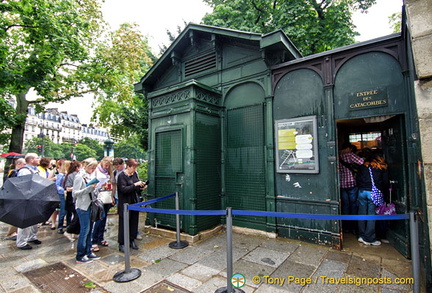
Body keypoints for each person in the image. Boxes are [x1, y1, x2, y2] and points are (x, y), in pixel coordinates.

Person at [356, 152, 389, 246]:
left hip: (362, 192)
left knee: (361, 213)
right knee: (372, 215)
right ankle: (369, 238)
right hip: (373, 193)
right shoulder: (381, 167)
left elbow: (358, 179)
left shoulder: (363, 166)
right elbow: (385, 182)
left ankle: (361, 235)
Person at [72, 158, 100, 264]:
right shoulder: (79, 176)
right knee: (85, 230)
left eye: (94, 168)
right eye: (91, 167)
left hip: (90, 205)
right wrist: (89, 189)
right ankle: (80, 255)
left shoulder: (90, 175)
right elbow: (75, 193)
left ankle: (88, 251)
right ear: (86, 166)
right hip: (83, 206)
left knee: (89, 230)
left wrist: (96, 188)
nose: (93, 170)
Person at [117, 158, 147, 252]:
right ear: (128, 166)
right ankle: (122, 243)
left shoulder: (134, 174)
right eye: (133, 167)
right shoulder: (121, 176)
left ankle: (131, 239)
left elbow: (136, 189)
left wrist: (141, 187)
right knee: (124, 223)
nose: (135, 170)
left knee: (134, 221)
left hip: (134, 202)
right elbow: (123, 189)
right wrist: (135, 185)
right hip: (125, 203)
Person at [16, 153, 42, 250]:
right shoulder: (24, 171)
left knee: (34, 220)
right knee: (25, 221)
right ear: (31, 160)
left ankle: (32, 237)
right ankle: (21, 242)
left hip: (34, 198)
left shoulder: (34, 170)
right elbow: (23, 185)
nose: (38, 159)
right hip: (27, 199)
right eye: (36, 158)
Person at [339, 143, 364, 234]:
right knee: (353, 205)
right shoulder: (349, 155)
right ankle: (354, 226)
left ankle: (346, 226)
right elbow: (361, 162)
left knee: (345, 205)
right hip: (351, 183)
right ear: (349, 148)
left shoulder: (337, 154)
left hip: (341, 183)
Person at [91, 156, 113, 252]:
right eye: (106, 165)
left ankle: (100, 238)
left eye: (108, 166)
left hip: (107, 195)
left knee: (104, 218)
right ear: (102, 162)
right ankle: (94, 239)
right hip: (99, 196)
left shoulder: (109, 171)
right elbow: (92, 185)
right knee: (100, 218)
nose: (107, 167)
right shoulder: (96, 170)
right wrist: (101, 185)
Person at [5, 158, 26, 240]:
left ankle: (14, 232)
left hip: (16, 195)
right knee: (15, 215)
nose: (25, 166)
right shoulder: (15, 172)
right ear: (19, 164)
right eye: (24, 164)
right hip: (15, 196)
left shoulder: (15, 171)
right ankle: (12, 233)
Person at [63, 160, 82, 240]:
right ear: (77, 168)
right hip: (73, 198)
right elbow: (68, 188)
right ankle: (69, 231)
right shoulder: (72, 175)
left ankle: (76, 232)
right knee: (77, 216)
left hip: (73, 197)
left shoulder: (70, 175)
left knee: (77, 216)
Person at [56, 160, 70, 234]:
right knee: (63, 209)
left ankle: (68, 224)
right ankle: (60, 226)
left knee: (69, 210)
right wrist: (63, 190)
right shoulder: (61, 175)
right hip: (63, 194)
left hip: (69, 193)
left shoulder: (69, 174)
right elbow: (57, 185)